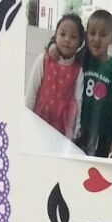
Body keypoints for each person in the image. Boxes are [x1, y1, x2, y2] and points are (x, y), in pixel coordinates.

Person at [74, 9, 112, 160]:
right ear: (86, 35)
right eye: (92, 33)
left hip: (103, 137)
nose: (96, 39)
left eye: (103, 35)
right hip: (77, 132)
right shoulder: (81, 59)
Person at [25, 12, 86, 141]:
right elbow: (31, 93)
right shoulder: (43, 60)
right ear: (55, 36)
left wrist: (76, 129)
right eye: (62, 34)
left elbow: (78, 101)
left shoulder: (78, 70)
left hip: (63, 131)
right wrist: (25, 120)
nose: (67, 39)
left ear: (80, 42)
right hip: (38, 123)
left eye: (73, 36)